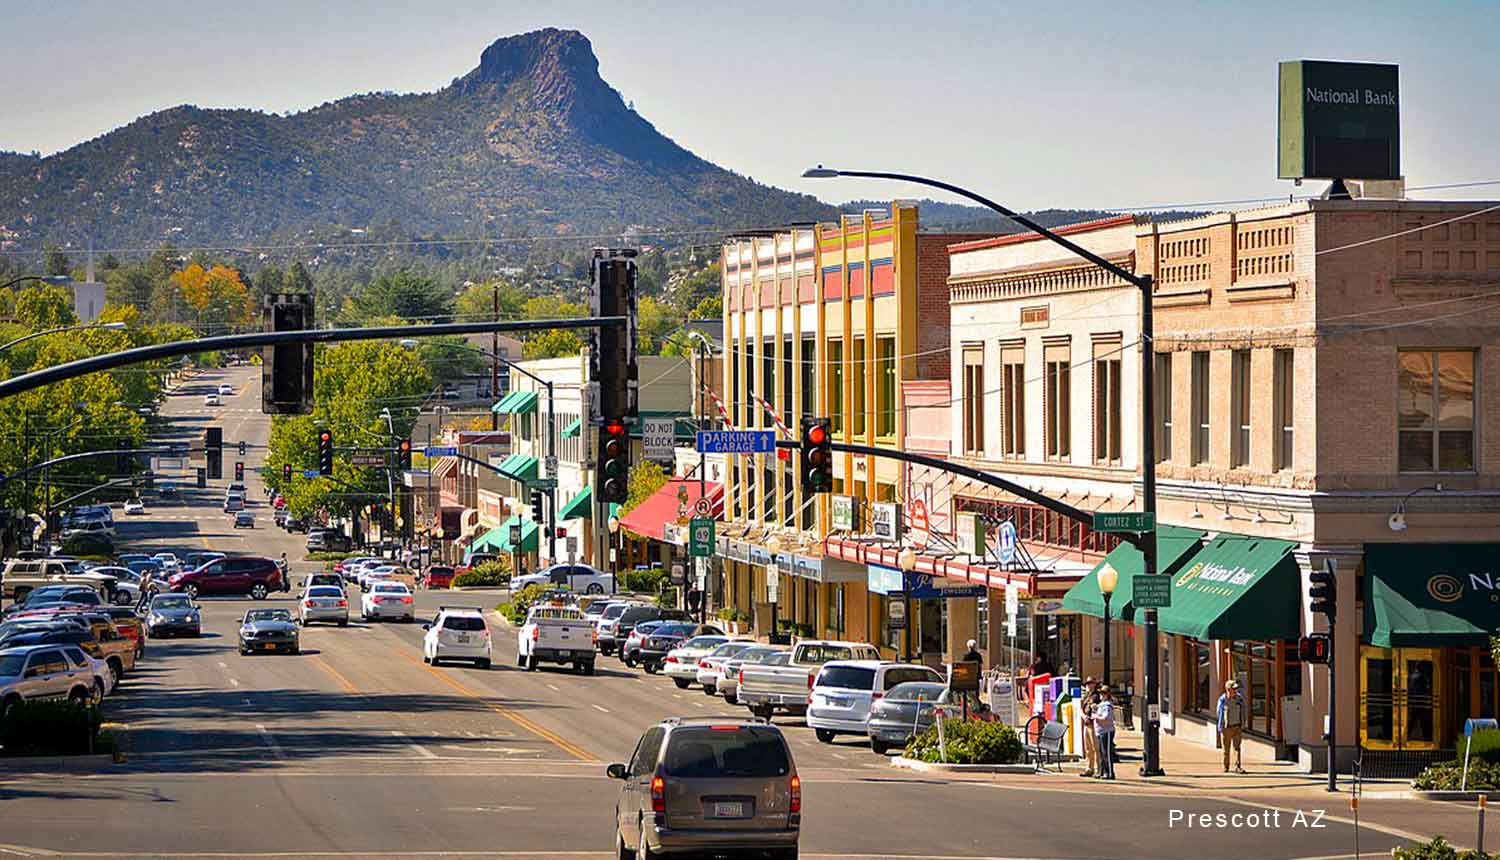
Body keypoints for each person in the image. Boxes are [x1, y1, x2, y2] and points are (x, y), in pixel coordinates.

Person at [1217, 679, 1248, 774]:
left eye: (1236, 689)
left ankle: (1237, 766)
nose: (1235, 690)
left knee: (1237, 748)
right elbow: (1219, 713)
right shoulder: (1222, 700)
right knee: (1226, 749)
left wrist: (1243, 723)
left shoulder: (1240, 699)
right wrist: (1221, 726)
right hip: (1226, 728)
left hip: (1237, 727)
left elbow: (1244, 710)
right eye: (1233, 689)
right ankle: (1226, 766)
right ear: (1228, 689)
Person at [1093, 683, 1117, 779]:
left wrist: (1096, 717)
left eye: (1103, 694)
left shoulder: (1107, 706)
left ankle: (1110, 773)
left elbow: (1105, 717)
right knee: (1102, 753)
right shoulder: (1102, 705)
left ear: (1107, 695)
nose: (1101, 695)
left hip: (1106, 731)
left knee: (1106, 753)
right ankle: (1103, 771)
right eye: (1100, 693)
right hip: (1100, 731)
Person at [1080, 678, 1100, 778]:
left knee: (1095, 747)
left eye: (1090, 683)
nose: (1088, 685)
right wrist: (1083, 716)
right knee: (1088, 748)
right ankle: (1089, 767)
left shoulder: (1096, 696)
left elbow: (1096, 708)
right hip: (1086, 723)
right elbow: (1082, 708)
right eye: (1087, 684)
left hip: (1093, 724)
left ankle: (1098, 768)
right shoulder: (1087, 695)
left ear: (1094, 684)